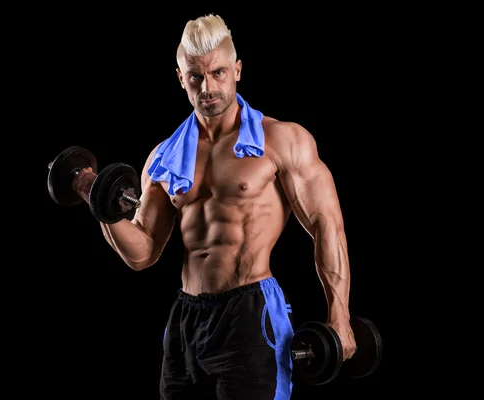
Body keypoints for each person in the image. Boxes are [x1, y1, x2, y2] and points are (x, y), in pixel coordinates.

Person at [72, 13, 356, 400]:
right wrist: (98, 200)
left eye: (219, 73)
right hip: (186, 320)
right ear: (180, 77)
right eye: (196, 77)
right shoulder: (163, 159)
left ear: (237, 70)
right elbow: (141, 254)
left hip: (251, 312)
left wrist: (339, 313)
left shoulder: (282, 140)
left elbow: (328, 225)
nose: (208, 87)